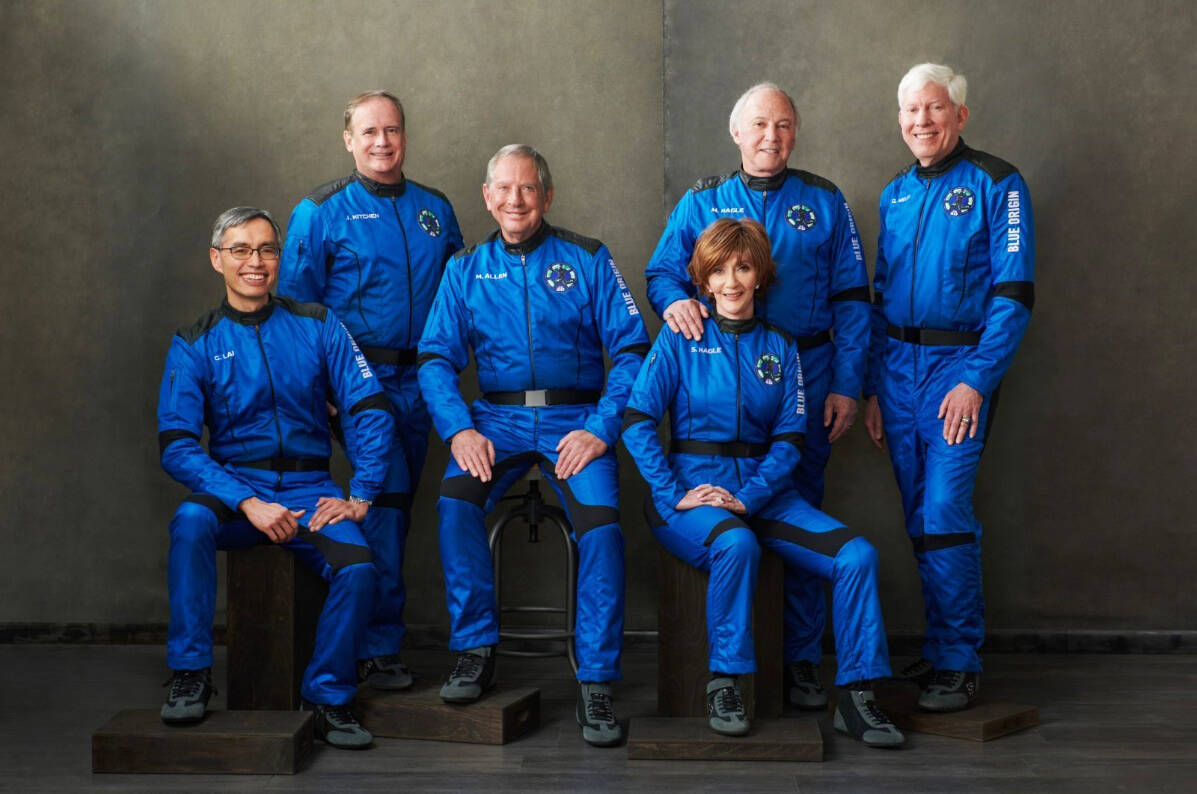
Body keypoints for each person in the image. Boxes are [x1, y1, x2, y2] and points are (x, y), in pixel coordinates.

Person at [624, 217, 902, 746]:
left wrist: (749, 497)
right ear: (702, 281)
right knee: (735, 543)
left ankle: (858, 696)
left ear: (760, 277)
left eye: (743, 268)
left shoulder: (782, 347)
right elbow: (637, 422)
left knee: (857, 556)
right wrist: (672, 492)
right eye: (719, 271)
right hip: (689, 496)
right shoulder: (679, 340)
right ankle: (726, 680)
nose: (731, 282)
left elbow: (790, 440)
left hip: (763, 494)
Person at [644, 82, 871, 709]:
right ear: (735, 131)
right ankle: (735, 672)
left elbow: (853, 298)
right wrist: (676, 306)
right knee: (743, 536)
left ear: (795, 132)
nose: (771, 136)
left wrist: (848, 384)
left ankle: (799, 660)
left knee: (798, 509)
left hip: (806, 374)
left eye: (784, 125)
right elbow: (663, 272)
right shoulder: (702, 200)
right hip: (712, 370)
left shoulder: (825, 201)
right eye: (759, 124)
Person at [418, 145, 649, 747]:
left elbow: (631, 350)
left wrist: (601, 429)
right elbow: (436, 358)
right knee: (453, 503)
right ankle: (474, 649)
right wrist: (459, 428)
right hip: (496, 419)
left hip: (578, 418)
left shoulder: (588, 257)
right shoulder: (465, 269)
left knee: (601, 527)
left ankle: (595, 679)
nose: (515, 201)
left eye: (528, 190)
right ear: (488, 197)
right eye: (504, 189)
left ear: (546, 196)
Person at [157, 207, 395, 748]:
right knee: (190, 521)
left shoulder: (317, 323)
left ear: (278, 259)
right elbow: (176, 445)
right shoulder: (194, 341)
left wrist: (361, 493)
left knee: (359, 570)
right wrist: (245, 501)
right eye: (240, 250)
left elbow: (369, 405)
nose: (255, 262)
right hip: (238, 489)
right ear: (218, 260)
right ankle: (190, 674)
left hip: (313, 492)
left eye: (266, 249)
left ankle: (329, 696)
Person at [864, 63, 1036, 712]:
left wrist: (976, 380)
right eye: (910, 111)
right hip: (898, 374)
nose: (920, 122)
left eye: (933, 109)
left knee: (943, 512)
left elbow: (1013, 294)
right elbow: (880, 301)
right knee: (917, 519)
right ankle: (938, 651)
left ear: (959, 116)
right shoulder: (894, 194)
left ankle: (960, 660)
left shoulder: (998, 183)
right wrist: (875, 389)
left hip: (957, 371)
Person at [279, 90, 464, 691]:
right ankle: (375, 646)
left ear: (405, 136)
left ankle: (363, 631)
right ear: (348, 140)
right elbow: (296, 311)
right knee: (383, 503)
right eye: (369, 132)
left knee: (401, 507)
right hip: (360, 384)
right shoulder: (321, 212)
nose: (381, 142)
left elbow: (461, 299)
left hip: (427, 382)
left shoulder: (435, 208)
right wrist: (320, 389)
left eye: (392, 130)